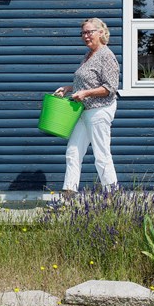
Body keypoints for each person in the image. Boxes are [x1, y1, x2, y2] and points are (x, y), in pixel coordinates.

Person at [53, 17, 119, 197]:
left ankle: (112, 197)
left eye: (89, 32)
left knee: (101, 155)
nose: (86, 36)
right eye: (83, 32)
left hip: (99, 110)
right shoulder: (88, 55)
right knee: (73, 152)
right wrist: (69, 89)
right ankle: (68, 196)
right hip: (83, 111)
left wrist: (85, 94)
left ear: (101, 32)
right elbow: (87, 83)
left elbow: (110, 88)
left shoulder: (106, 55)